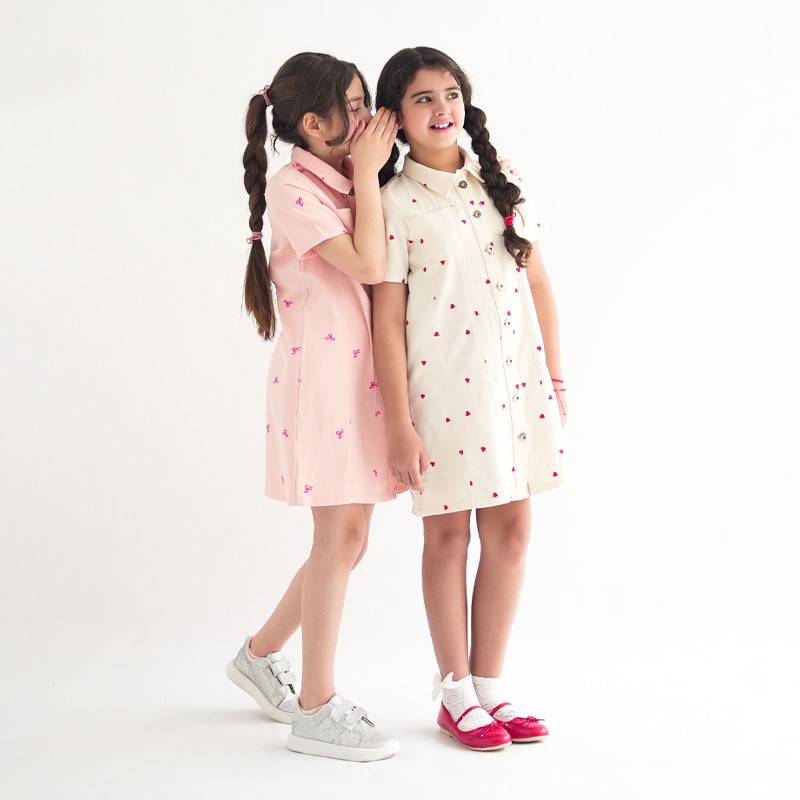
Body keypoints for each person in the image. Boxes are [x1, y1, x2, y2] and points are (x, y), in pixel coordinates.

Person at [372, 46, 568, 751]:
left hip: (515, 385)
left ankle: (489, 688)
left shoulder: (500, 180)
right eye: (423, 98)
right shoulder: (393, 204)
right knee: (449, 535)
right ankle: (455, 694)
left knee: (513, 530)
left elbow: (537, 281)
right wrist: (400, 424)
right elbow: (386, 322)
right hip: (444, 391)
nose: (442, 108)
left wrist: (556, 379)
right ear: (396, 117)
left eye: (451, 93)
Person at [227, 51, 402, 762]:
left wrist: (367, 174)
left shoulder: (344, 181)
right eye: (353, 107)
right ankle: (316, 706)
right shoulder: (294, 189)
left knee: (350, 541)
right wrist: (370, 171)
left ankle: (258, 657)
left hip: (359, 380)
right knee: (339, 538)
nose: (367, 118)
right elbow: (368, 264)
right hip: (324, 383)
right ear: (313, 124)